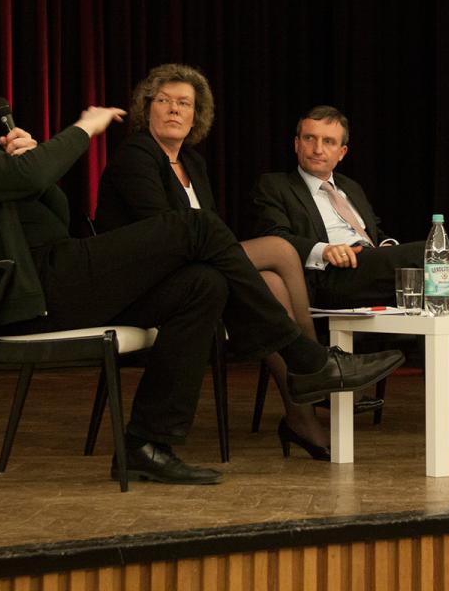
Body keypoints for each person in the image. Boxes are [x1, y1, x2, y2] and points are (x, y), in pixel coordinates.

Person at [0, 31, 403, 484]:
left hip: (59, 276)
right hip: (27, 290)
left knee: (205, 286)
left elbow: (51, 208)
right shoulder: (136, 153)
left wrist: (29, 165)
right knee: (199, 227)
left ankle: (146, 443)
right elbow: (157, 226)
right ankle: (309, 360)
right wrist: (83, 128)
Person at [96, 63, 332, 459]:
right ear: (146, 108)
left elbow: (210, 233)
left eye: (184, 103)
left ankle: (300, 413)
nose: (174, 110)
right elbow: (165, 233)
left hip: (194, 276)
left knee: (274, 284)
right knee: (279, 248)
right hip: (147, 281)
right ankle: (314, 368)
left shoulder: (194, 163)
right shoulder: (136, 155)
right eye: (165, 101)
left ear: (196, 115)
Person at [248, 105, 449, 309]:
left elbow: (375, 233)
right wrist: (324, 250)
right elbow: (274, 239)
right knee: (426, 254)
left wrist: (388, 246)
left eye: (328, 141)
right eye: (310, 138)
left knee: (434, 284)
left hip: (369, 267)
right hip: (327, 276)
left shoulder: (350, 187)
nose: (318, 149)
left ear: (341, 153)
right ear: (297, 144)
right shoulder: (275, 185)